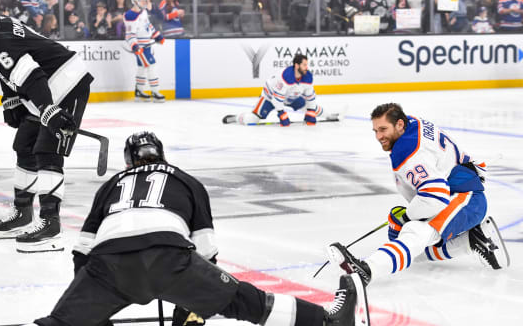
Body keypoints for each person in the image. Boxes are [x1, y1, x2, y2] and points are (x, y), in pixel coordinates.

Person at [27, 131, 369, 326]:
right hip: (169, 259)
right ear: (162, 155)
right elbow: (206, 251)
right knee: (245, 301)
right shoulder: (186, 180)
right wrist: (192, 306)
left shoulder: (111, 184)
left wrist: (90, 311)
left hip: (109, 265)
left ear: (128, 162)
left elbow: (82, 251)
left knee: (59, 324)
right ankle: (329, 322)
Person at [0, 0, 94, 252]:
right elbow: (7, 72)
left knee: (46, 150)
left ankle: (51, 225)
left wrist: (48, 110)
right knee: (25, 144)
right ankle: (23, 213)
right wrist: (10, 99)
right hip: (47, 86)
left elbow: (31, 74)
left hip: (67, 84)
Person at [327, 103, 510, 288]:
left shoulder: (408, 152)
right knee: (410, 245)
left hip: (466, 198)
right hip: (457, 191)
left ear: (399, 124)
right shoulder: (412, 122)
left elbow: (435, 195)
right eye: (375, 130)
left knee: (416, 232)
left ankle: (368, 270)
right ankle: (470, 240)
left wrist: (408, 216)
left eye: (383, 129)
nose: (379, 136)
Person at [223, 54, 339, 126]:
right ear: (297, 66)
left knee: (310, 108)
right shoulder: (285, 77)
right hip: (270, 97)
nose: (307, 68)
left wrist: (310, 113)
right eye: (304, 65)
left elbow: (310, 97)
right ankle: (236, 117)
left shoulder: (307, 77)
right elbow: (276, 99)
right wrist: (282, 114)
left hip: (290, 97)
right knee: (252, 119)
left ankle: (330, 116)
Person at [126, 0, 166, 102]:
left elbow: (148, 26)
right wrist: (135, 46)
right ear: (135, 2)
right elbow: (129, 35)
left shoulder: (143, 12)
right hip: (141, 47)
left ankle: (139, 92)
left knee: (142, 68)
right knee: (151, 66)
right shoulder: (130, 15)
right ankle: (156, 92)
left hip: (147, 44)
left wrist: (157, 36)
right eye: (142, 1)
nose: (145, 2)